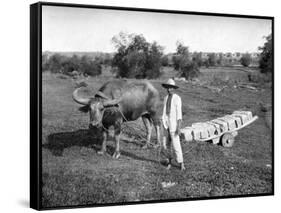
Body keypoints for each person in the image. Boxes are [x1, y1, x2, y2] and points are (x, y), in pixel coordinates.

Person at [161, 78, 185, 171]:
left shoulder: (177, 98)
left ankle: (181, 163)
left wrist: (178, 127)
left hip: (174, 125)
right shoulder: (165, 98)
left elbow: (179, 114)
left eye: (171, 88)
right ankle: (169, 162)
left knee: (176, 144)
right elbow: (164, 113)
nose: (169, 89)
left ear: (173, 88)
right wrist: (163, 123)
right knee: (167, 145)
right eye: (167, 88)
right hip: (166, 124)